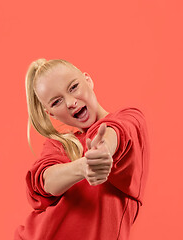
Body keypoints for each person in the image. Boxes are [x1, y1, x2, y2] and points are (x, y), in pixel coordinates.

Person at [14, 58, 150, 240]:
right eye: (56, 102)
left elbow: (117, 132)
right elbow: (46, 181)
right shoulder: (59, 144)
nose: (70, 102)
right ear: (50, 114)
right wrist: (83, 167)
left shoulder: (129, 118)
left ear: (88, 80)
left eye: (73, 87)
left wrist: (103, 152)